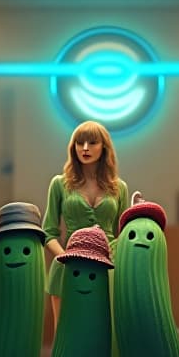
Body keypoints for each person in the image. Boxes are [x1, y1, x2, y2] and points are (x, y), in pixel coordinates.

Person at [42, 120, 129, 329]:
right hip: (67, 267)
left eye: (92, 142)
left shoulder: (119, 188)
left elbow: (123, 234)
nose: (85, 148)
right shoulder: (59, 184)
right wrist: (65, 257)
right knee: (65, 335)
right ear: (73, 148)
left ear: (104, 147)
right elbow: (48, 232)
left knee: (106, 333)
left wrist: (116, 260)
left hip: (109, 268)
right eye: (80, 143)